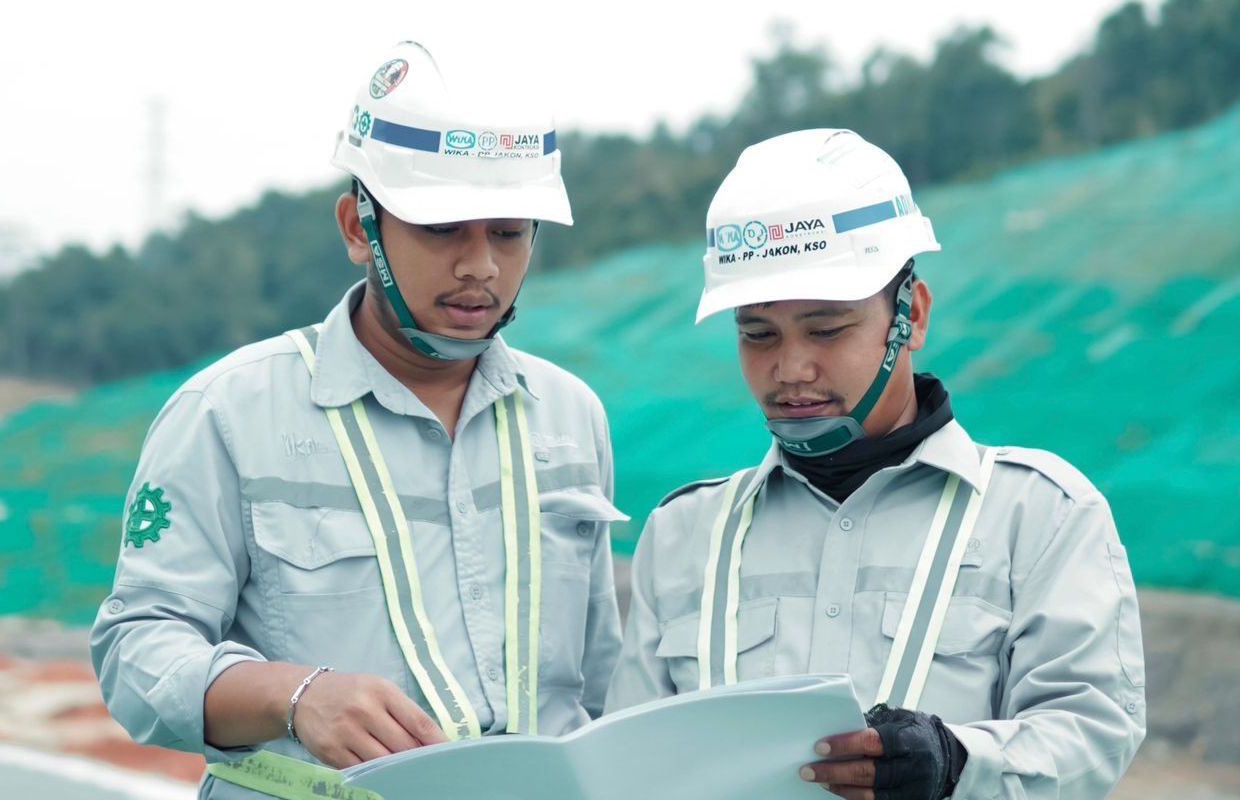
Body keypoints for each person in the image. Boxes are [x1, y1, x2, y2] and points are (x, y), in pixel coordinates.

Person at [91, 41, 626, 797]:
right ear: (357, 226)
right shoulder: (231, 412)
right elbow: (136, 651)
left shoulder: (569, 417)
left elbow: (602, 680)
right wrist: (296, 695)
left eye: (508, 232)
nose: (481, 265)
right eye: (444, 229)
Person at [605, 129, 1146, 799]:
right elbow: (629, 766)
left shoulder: (1041, 517)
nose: (791, 368)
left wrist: (955, 762)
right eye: (758, 334)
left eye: (827, 329)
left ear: (910, 317)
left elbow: (1094, 734)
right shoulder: (684, 535)